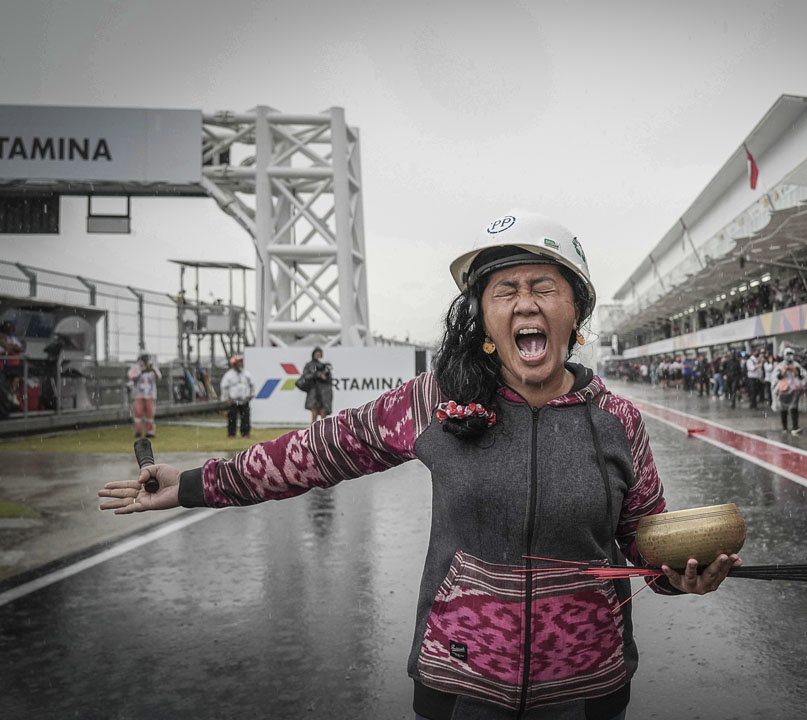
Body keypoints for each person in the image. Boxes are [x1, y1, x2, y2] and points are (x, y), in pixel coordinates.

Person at [99, 210, 741, 720]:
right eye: (505, 290)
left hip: (588, 688)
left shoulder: (619, 420)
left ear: (576, 313)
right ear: (483, 318)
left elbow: (644, 543)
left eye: (544, 287)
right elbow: (315, 452)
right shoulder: (437, 399)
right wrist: (192, 484)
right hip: (458, 684)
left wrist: (679, 576)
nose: (525, 303)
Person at [127, 352, 162, 438]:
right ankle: (138, 431)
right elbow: (132, 376)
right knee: (138, 413)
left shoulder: (153, 367)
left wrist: (152, 370)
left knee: (150, 414)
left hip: (150, 394)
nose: (145, 360)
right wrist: (142, 372)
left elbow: (159, 377)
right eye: (143, 358)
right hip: (138, 394)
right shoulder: (135, 367)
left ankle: (150, 432)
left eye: (146, 357)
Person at [772, 349, 805, 435]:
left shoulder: (796, 365)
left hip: (794, 389)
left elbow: (801, 375)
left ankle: (795, 426)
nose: (789, 356)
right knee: (784, 409)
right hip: (783, 389)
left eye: (791, 354)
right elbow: (778, 377)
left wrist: (794, 370)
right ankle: (785, 427)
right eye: (788, 354)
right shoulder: (780, 366)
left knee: (794, 407)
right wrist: (784, 370)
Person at [221, 354, 255, 439]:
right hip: (233, 400)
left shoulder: (246, 374)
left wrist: (252, 394)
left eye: (241, 362)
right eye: (239, 362)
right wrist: (226, 398)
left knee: (245, 418)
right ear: (234, 364)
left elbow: (252, 384)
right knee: (232, 418)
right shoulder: (228, 375)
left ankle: (245, 433)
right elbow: (224, 387)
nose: (241, 364)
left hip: (244, 400)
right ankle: (231, 434)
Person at [302, 346, 334, 423]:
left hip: (324, 393)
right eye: (317, 354)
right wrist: (317, 374)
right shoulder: (309, 365)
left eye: (319, 354)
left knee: (323, 414)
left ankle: (323, 430)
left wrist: (326, 374)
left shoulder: (324, 365)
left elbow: (329, 379)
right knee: (314, 413)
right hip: (314, 392)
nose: (318, 355)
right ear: (313, 354)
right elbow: (305, 376)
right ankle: (313, 429)